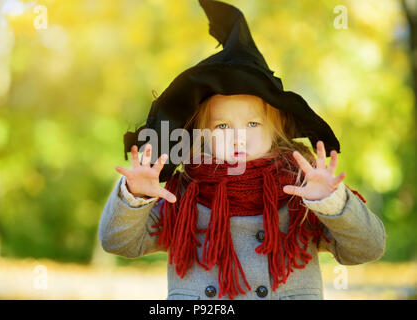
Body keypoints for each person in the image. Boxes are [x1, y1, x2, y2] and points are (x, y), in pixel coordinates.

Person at [98, 0, 386, 300]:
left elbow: (368, 248)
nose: (238, 138)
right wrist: (136, 196)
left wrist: (332, 202)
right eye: (222, 126)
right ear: (200, 136)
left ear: (275, 130)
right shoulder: (181, 196)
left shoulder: (302, 190)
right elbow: (120, 243)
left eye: (252, 124)